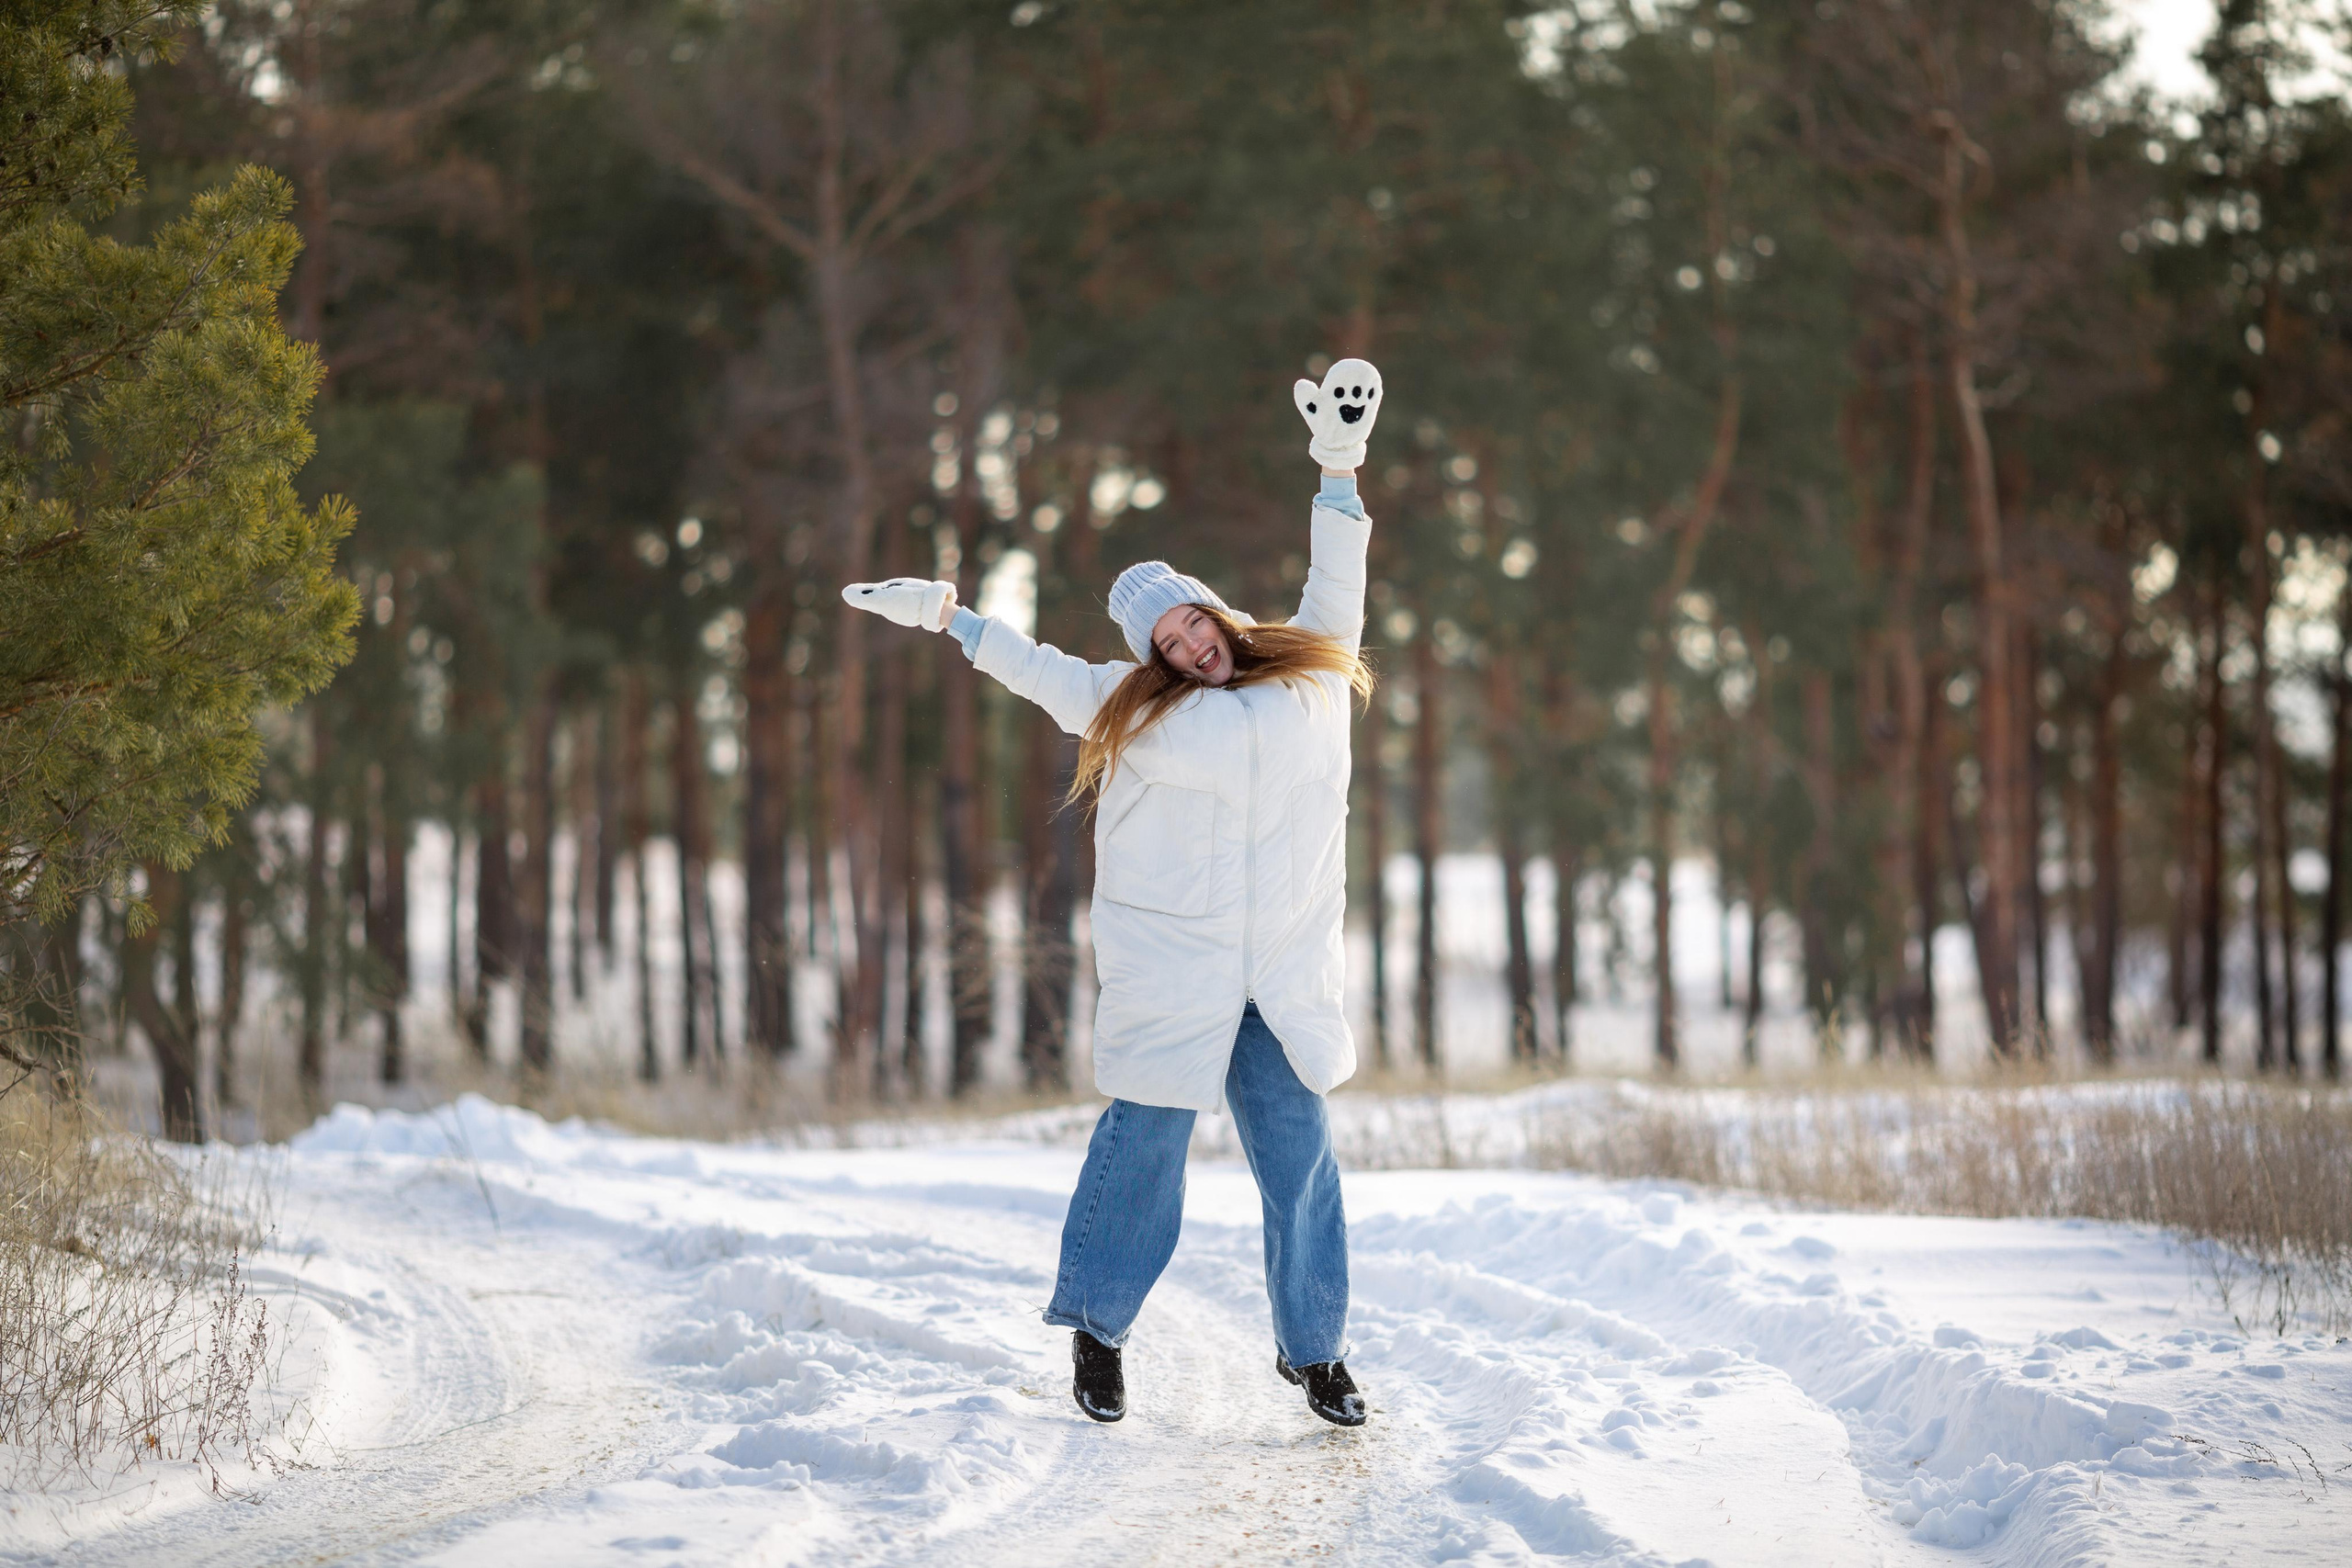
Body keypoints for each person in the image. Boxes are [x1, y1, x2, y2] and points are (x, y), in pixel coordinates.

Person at [841, 357, 1385, 1428]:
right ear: (1157, 658)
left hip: (1279, 969)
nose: (1191, 644)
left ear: (1220, 615)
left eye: (1196, 622)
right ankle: (1098, 1337)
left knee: (1301, 1164)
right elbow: (1032, 664)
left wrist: (1336, 466)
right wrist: (948, 617)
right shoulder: (1127, 712)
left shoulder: (1314, 680)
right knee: (1142, 1155)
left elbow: (1339, 581)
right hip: (1176, 969)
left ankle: (1314, 1355)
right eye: (1168, 642)